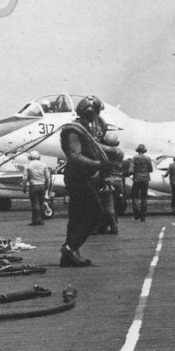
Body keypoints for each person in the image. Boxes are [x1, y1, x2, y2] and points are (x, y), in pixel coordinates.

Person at [58, 97, 108, 266]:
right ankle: (70, 247)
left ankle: (68, 257)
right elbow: (75, 155)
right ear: (91, 112)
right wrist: (99, 164)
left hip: (80, 176)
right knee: (96, 214)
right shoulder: (75, 130)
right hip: (78, 176)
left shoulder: (83, 128)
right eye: (96, 113)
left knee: (76, 216)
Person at [96, 132, 125, 234]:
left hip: (108, 180)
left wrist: (95, 141)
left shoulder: (107, 152)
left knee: (107, 205)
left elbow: (104, 149)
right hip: (118, 181)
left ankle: (112, 226)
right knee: (111, 205)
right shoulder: (120, 153)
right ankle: (110, 225)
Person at [23, 150, 51, 226]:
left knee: (35, 204)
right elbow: (47, 177)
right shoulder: (44, 164)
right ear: (39, 157)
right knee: (41, 203)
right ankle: (41, 220)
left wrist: (24, 187)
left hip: (33, 185)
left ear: (30, 157)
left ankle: (35, 220)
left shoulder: (28, 165)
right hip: (42, 185)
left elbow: (25, 178)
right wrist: (47, 185)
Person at [130, 144, 154, 221]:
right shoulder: (148, 158)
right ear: (144, 150)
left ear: (137, 150)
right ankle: (143, 215)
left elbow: (131, 170)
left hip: (137, 179)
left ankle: (137, 213)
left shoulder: (134, 159)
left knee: (135, 197)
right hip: (145, 179)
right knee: (144, 198)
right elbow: (151, 169)